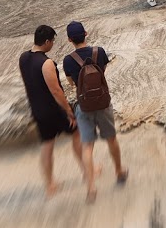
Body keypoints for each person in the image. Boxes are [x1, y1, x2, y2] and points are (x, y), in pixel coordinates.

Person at [61, 21, 127, 202]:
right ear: (86, 33)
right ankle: (119, 171)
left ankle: (91, 187)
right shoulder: (100, 52)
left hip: (84, 106)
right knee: (111, 138)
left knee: (87, 147)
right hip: (103, 103)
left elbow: (71, 83)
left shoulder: (68, 60)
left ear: (69, 39)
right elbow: (102, 72)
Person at [18, 25, 83, 198]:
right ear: (47, 42)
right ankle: (87, 169)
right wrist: (69, 111)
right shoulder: (46, 63)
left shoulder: (23, 58)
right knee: (77, 134)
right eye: (52, 41)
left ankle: (50, 185)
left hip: (37, 110)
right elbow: (56, 91)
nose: (53, 44)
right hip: (53, 110)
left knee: (47, 146)